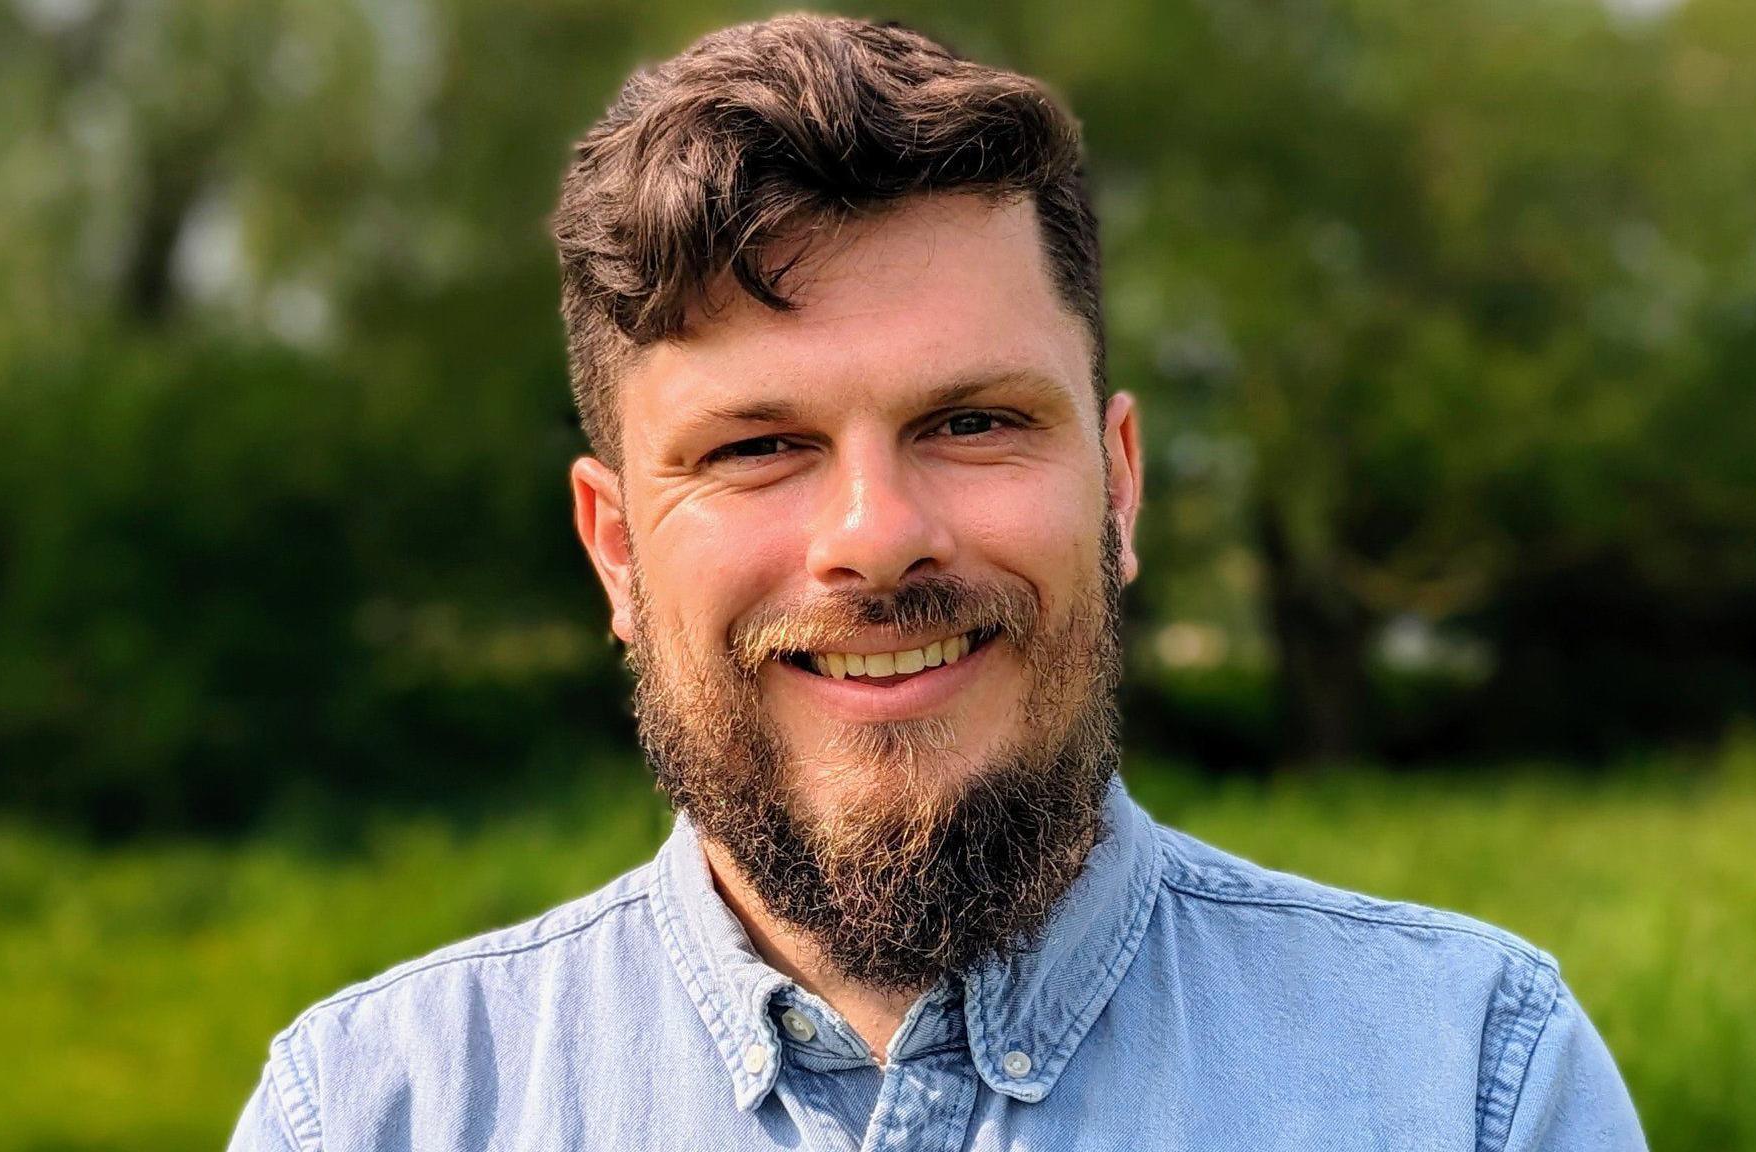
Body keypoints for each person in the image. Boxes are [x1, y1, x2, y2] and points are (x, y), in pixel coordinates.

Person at [227, 14, 1646, 1151]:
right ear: (614, 548)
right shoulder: (366, 1114)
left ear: (1120, 483)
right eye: (758, 445)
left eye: (972, 421)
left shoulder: (1470, 1082)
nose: (876, 535)